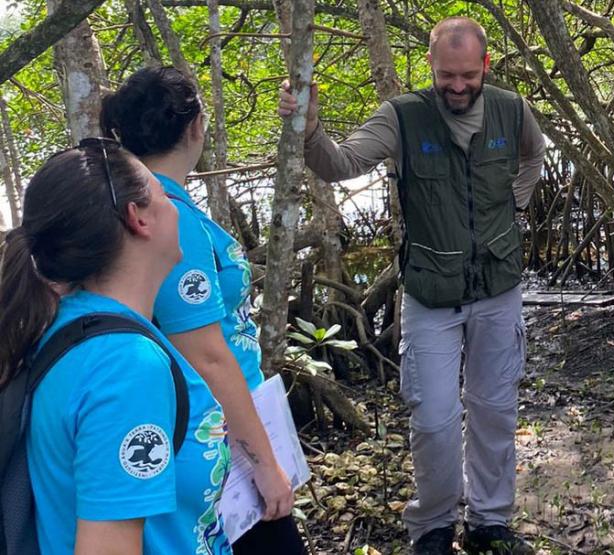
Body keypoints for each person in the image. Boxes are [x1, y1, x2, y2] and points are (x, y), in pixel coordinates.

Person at [278, 16, 545, 555]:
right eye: (447, 74)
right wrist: (308, 127)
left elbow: (532, 155)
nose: (458, 85)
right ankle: (433, 527)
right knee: (434, 418)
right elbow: (340, 164)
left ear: (485, 66)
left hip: (497, 286)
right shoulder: (402, 117)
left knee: (495, 410)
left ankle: (491, 523)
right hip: (430, 293)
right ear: (431, 65)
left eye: (468, 74)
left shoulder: (511, 108)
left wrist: (514, 205)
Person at [101, 67, 304, 554]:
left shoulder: (146, 207)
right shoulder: (168, 219)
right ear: (195, 127)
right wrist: (265, 465)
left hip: (220, 424)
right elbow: (207, 355)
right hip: (219, 436)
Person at [0, 140, 232, 553]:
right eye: (162, 194)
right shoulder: (126, 366)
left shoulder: (70, 321)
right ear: (138, 218)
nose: (175, 205)